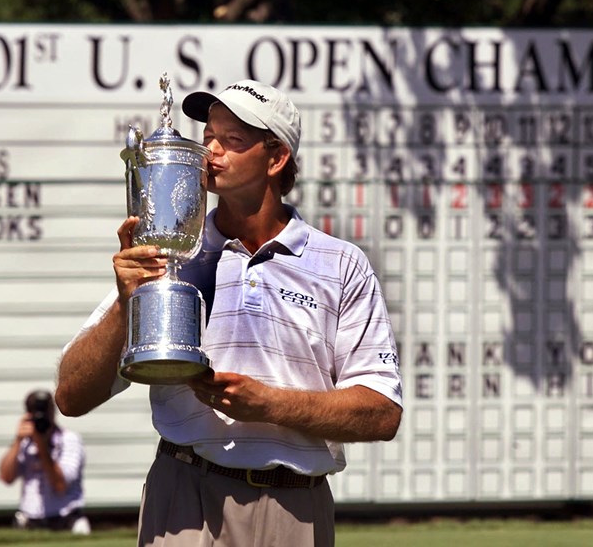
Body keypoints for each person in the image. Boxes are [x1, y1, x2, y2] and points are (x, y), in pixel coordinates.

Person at [56, 79, 403, 546]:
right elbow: (72, 396)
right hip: (181, 499)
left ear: (276, 157)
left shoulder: (341, 264)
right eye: (208, 138)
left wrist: (269, 405)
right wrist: (126, 301)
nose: (210, 152)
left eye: (232, 141)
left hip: (294, 508)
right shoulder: (168, 252)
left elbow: (381, 414)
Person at [0, 389, 91, 534]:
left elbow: (60, 485)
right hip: (30, 520)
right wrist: (17, 441)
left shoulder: (69, 439)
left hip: (66, 520)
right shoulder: (24, 442)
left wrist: (41, 445)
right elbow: (6, 477)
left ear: (53, 411)